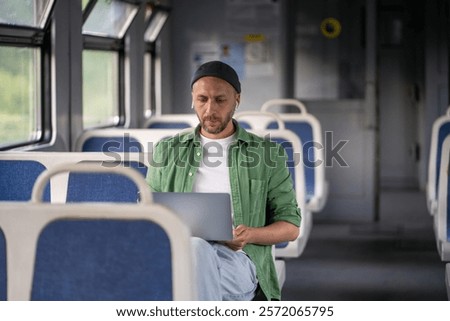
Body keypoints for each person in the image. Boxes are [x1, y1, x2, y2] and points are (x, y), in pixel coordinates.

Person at [146, 60, 301, 301]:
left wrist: (247, 235)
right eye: (202, 100)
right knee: (195, 255)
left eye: (220, 100)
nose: (209, 110)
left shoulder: (267, 154)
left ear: (236, 99)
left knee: (191, 263)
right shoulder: (167, 150)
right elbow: (148, 214)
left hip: (238, 260)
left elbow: (290, 227)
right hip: (179, 253)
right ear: (192, 99)